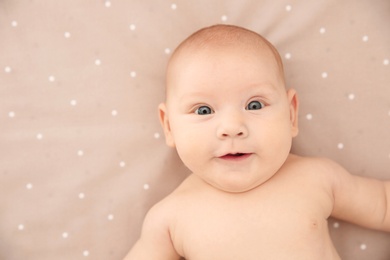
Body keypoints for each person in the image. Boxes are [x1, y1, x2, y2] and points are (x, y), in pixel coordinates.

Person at [125, 24, 390, 260]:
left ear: (290, 114)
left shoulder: (316, 177)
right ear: (169, 126)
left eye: (254, 105)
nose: (232, 128)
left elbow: (383, 205)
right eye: (204, 110)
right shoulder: (169, 219)